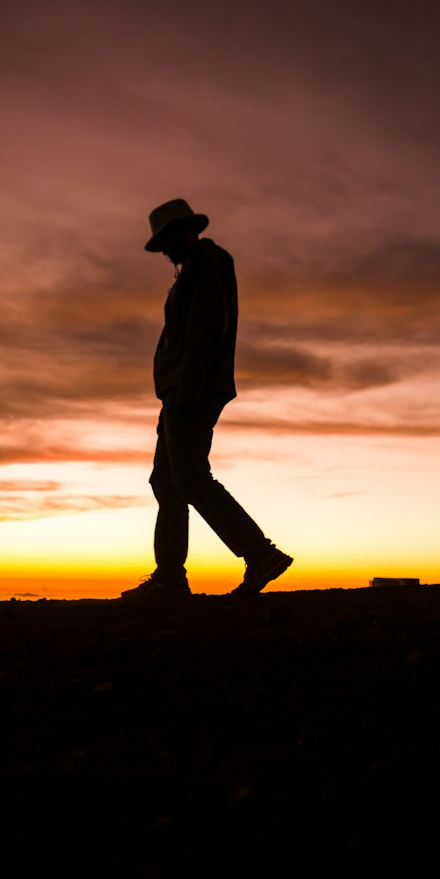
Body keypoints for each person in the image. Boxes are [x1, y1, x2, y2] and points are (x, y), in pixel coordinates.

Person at [122, 199, 293, 598]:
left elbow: (207, 326)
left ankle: (260, 554)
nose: (164, 252)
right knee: (167, 482)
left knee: (189, 478)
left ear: (184, 232)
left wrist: (189, 385)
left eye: (166, 242)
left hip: (191, 389)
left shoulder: (210, 262)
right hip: (180, 389)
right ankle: (170, 578)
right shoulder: (194, 269)